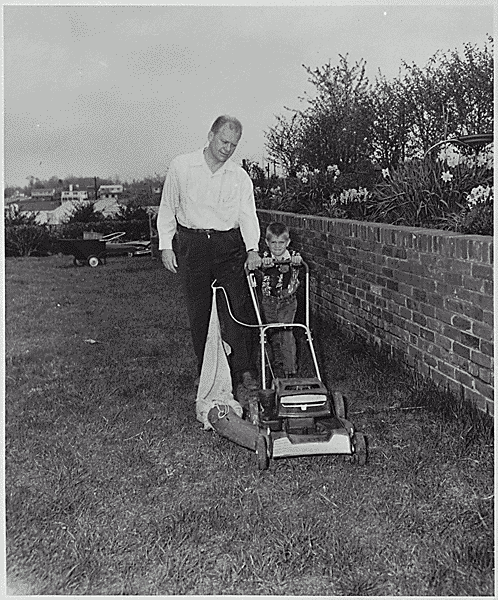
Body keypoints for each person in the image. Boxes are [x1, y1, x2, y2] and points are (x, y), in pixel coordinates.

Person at [157, 115, 262, 391]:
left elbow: (247, 215)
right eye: (224, 141)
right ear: (210, 135)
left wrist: (253, 249)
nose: (227, 149)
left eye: (233, 145)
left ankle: (244, 369)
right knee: (199, 310)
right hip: (193, 245)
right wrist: (166, 245)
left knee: (238, 308)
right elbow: (168, 206)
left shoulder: (239, 176)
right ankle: (205, 368)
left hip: (228, 246)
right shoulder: (182, 166)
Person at [259, 222, 302, 378]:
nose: (277, 247)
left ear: (287, 242)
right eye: (273, 243)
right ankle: (277, 362)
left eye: (281, 242)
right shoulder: (264, 257)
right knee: (272, 332)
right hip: (269, 301)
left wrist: (297, 261)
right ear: (267, 242)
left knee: (286, 333)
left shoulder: (293, 256)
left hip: (288, 301)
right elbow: (256, 267)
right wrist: (262, 264)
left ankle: (290, 370)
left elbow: (299, 261)